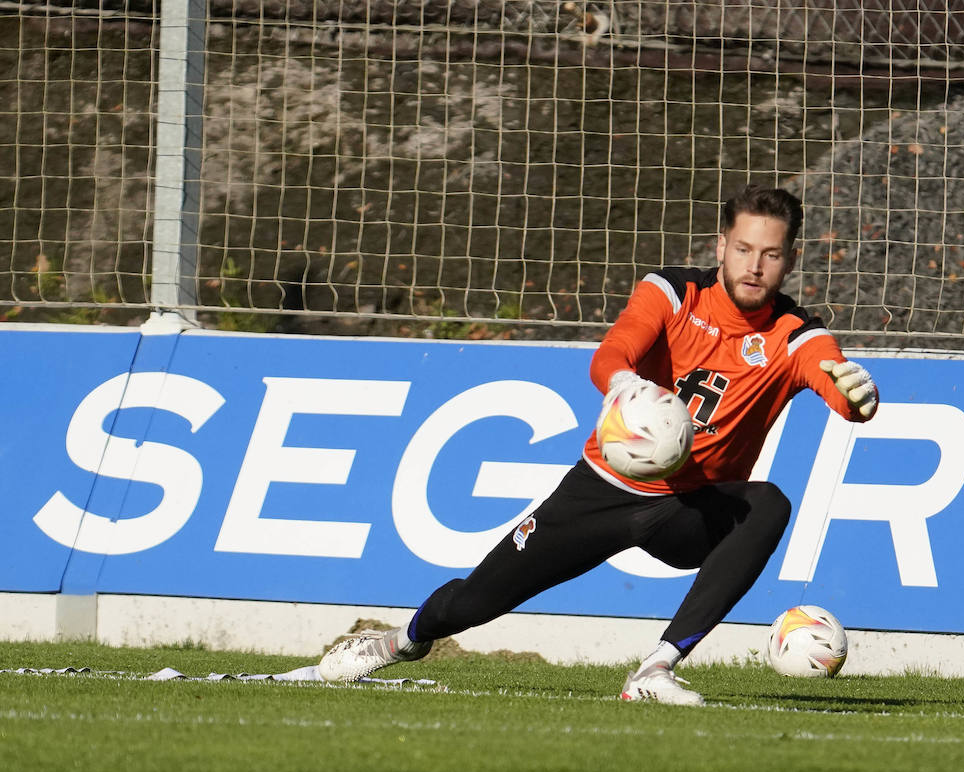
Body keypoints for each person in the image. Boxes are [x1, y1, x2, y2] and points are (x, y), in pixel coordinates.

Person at [317, 184, 879, 705]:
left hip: (687, 511)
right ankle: (396, 642)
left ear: (791, 259)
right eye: (743, 248)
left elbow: (834, 381)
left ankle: (655, 669)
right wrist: (627, 387)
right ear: (721, 245)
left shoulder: (795, 333)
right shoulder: (673, 291)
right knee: (472, 603)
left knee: (768, 504)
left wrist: (856, 397)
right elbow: (612, 353)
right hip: (602, 489)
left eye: (771, 254)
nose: (754, 266)